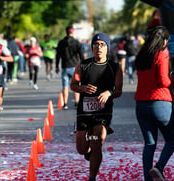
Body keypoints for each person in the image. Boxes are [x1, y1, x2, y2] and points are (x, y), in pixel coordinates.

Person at [70, 32, 123, 181]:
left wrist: (109, 93)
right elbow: (73, 85)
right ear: (92, 48)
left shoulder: (115, 67)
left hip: (103, 112)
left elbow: (118, 90)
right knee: (81, 149)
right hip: (84, 112)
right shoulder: (83, 65)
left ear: (107, 48)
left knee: (97, 141)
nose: (99, 48)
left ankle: (92, 177)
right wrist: (82, 88)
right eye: (96, 45)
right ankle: (88, 152)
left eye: (102, 45)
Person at [134, 26, 174, 181]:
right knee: (172, 139)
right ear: (163, 40)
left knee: (150, 143)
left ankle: (148, 178)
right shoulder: (162, 54)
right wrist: (172, 78)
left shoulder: (141, 55)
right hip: (160, 102)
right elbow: (163, 81)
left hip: (141, 104)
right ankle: (159, 168)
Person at [56, 25, 84, 109]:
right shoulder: (77, 42)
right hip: (75, 67)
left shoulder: (61, 42)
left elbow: (58, 55)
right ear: (73, 32)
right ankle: (77, 102)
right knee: (76, 85)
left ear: (66, 32)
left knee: (65, 86)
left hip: (65, 67)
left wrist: (57, 66)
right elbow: (82, 56)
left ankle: (65, 104)